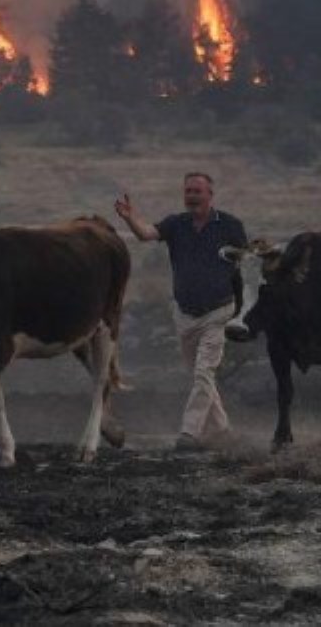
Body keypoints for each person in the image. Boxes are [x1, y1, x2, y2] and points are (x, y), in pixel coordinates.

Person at [114, 172, 247, 451]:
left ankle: (189, 434)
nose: (192, 196)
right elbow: (147, 234)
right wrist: (129, 217)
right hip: (185, 315)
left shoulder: (231, 226)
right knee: (201, 376)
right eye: (188, 191)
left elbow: (243, 262)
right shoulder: (176, 224)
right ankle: (222, 431)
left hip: (218, 311)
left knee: (203, 372)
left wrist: (240, 307)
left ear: (210, 195)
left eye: (198, 191)